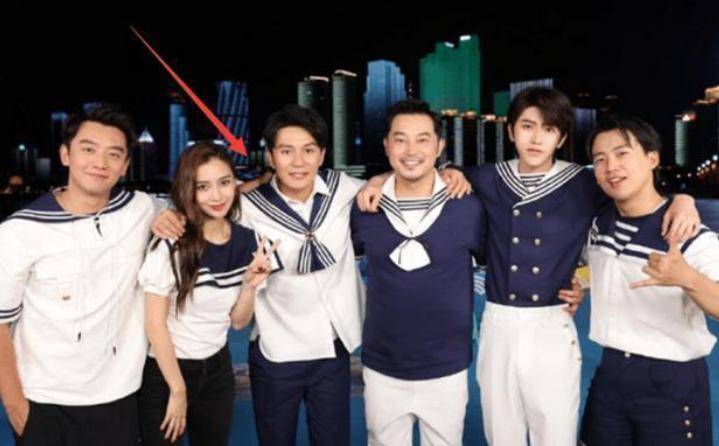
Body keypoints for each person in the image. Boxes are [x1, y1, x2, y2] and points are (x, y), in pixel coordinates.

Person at [357, 87, 700, 446]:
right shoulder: (487, 177)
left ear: (561, 138)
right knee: (501, 433)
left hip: (552, 322)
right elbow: (425, 173)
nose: (536, 139)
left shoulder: (583, 182)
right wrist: (378, 180)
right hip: (498, 322)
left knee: (555, 433)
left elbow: (635, 195)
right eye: (527, 126)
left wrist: (682, 199)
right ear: (511, 131)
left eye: (549, 129)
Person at [0, 104, 155, 445]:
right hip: (45, 403)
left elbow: (199, 205)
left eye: (113, 154)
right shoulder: (19, 231)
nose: (100, 163)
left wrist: (169, 217)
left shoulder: (140, 208)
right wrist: (15, 406)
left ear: (125, 165)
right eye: (88, 149)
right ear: (65, 154)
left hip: (121, 397)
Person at [581, 116, 719, 446]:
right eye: (600, 160)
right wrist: (575, 284)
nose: (611, 167)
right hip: (610, 374)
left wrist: (686, 278)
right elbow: (595, 267)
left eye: (622, 154)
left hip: (671, 382)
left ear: (652, 158)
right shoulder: (598, 224)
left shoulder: (688, 235)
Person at [138, 142, 279, 445]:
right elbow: (154, 325)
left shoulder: (250, 241)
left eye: (224, 183)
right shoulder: (172, 243)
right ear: (188, 190)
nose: (217, 196)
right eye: (203, 187)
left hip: (217, 369)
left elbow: (238, 322)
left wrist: (249, 286)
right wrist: (178, 390)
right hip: (167, 371)